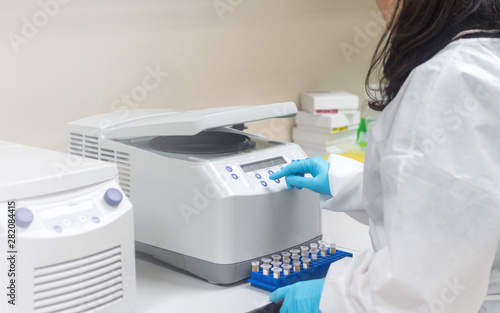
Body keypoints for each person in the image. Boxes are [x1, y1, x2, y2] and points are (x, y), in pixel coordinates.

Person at [268, 0, 500, 312]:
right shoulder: (483, 58)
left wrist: (333, 296)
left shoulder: (451, 82)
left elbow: (422, 290)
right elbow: (462, 197)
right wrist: (347, 182)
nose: (380, 7)